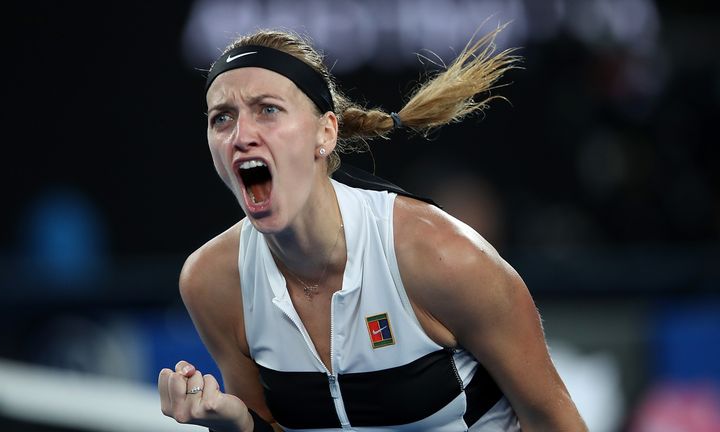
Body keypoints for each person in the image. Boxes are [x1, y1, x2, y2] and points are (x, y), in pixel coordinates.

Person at [158, 25, 587, 431]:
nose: (241, 134)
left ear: (325, 133)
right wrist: (233, 424)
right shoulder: (211, 282)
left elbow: (555, 421)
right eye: (222, 118)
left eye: (267, 110)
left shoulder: (442, 256)